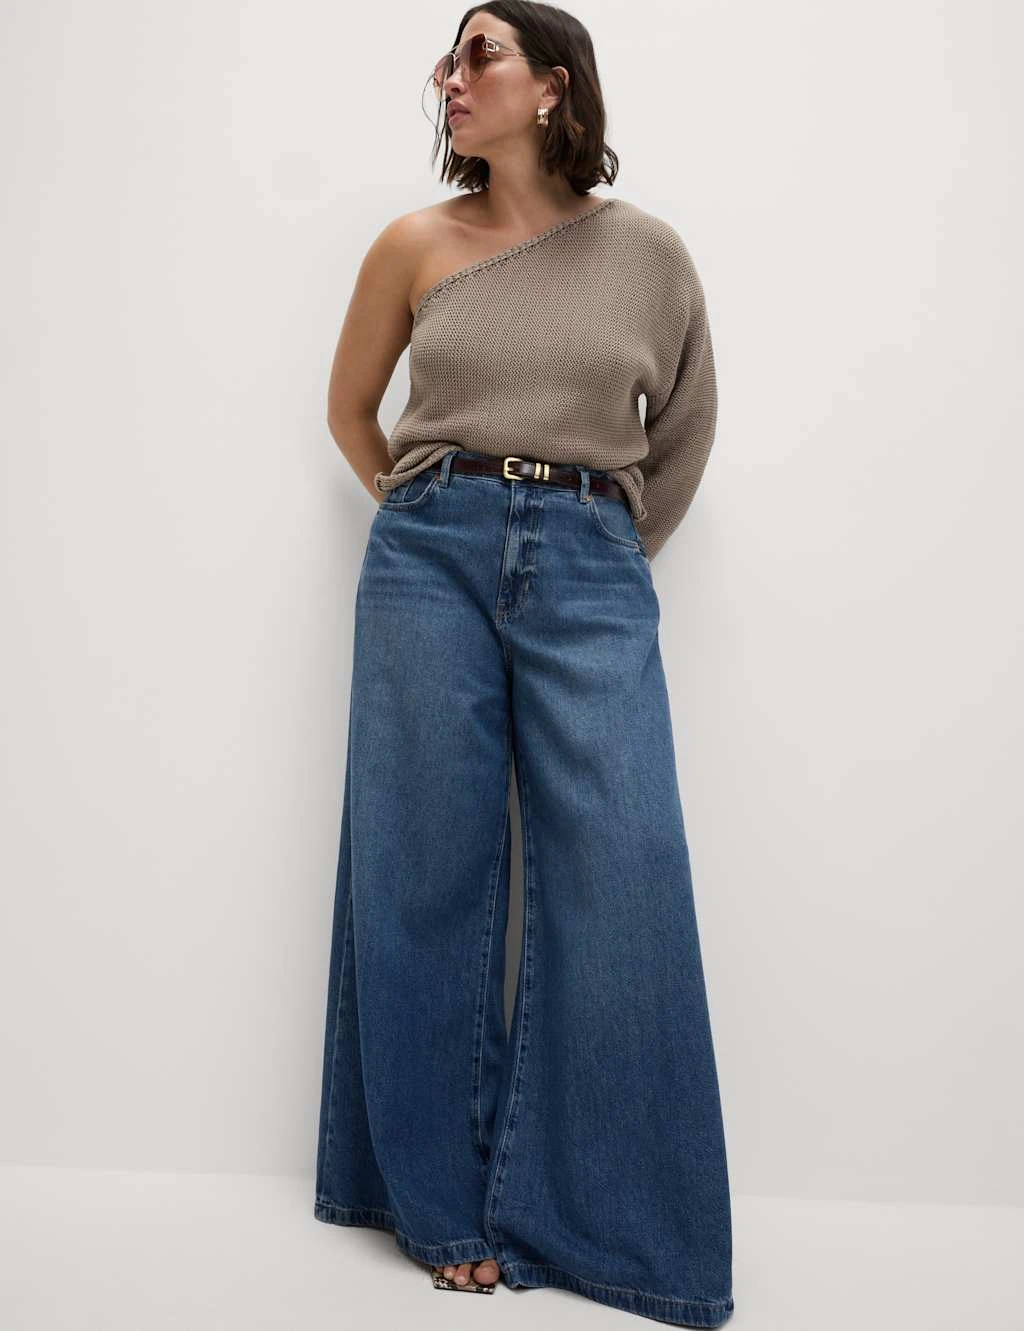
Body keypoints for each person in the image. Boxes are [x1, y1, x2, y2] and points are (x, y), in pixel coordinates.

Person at [313, 4, 734, 1326]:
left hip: (593, 558)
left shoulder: (648, 254)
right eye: (447, 59)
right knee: (421, 866)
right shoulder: (414, 243)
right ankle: (441, 1208)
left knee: (624, 864)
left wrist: (604, 548)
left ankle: (608, 1225)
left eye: (478, 53)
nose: (451, 76)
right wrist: (419, 512)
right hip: (428, 553)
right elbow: (350, 410)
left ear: (553, 85)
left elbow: (685, 430)